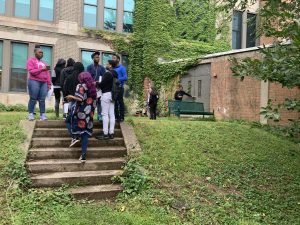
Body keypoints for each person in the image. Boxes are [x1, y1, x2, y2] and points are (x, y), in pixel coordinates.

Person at [65, 72, 97, 163]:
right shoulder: (93, 88)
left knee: (67, 121)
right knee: (85, 134)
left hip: (80, 112)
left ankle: (74, 137)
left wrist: (71, 97)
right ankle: (83, 156)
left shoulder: (81, 86)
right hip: (89, 114)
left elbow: (80, 98)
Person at [26, 45, 51, 121]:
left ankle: (42, 115)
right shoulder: (31, 61)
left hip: (44, 82)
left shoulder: (44, 63)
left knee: (42, 99)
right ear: (35, 53)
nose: (41, 54)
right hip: (34, 81)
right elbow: (31, 71)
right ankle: (31, 114)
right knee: (33, 98)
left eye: (42, 53)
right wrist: (41, 69)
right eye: (40, 52)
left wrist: (49, 83)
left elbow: (47, 74)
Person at [96, 60, 118, 140]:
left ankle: (105, 133)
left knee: (105, 114)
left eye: (107, 64)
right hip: (113, 95)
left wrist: (97, 83)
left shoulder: (107, 73)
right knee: (112, 114)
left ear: (110, 65)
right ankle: (111, 133)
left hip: (106, 94)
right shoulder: (115, 74)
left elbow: (102, 85)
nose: (106, 65)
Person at [87, 51, 106, 121]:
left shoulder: (102, 68)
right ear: (93, 58)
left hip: (99, 88)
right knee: (91, 102)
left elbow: (104, 77)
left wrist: (99, 83)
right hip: (92, 88)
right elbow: (87, 78)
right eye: (96, 57)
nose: (98, 58)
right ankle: (90, 115)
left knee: (99, 102)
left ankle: (99, 115)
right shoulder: (89, 67)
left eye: (98, 57)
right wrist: (92, 83)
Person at [112, 54, 128, 122]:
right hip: (113, 88)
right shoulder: (112, 68)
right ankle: (116, 117)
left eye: (114, 58)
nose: (113, 59)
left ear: (118, 59)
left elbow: (125, 77)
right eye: (112, 58)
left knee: (120, 102)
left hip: (120, 88)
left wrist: (117, 79)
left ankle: (122, 117)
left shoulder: (122, 68)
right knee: (114, 103)